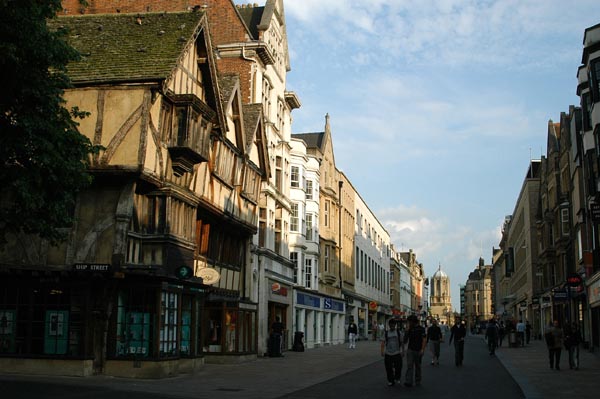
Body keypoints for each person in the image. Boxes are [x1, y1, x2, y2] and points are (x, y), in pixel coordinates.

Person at [403, 315, 427, 387]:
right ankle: (408, 381)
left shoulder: (421, 329)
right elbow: (405, 341)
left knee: (418, 366)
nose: (409, 323)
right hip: (410, 350)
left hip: (418, 350)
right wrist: (406, 332)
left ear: (413, 321)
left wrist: (422, 349)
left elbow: (424, 339)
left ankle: (417, 380)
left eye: (409, 322)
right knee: (409, 366)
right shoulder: (410, 329)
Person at [380, 319, 404, 386]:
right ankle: (390, 380)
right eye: (391, 325)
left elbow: (402, 342)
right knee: (388, 368)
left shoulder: (399, 333)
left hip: (397, 353)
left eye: (393, 325)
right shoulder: (386, 333)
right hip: (388, 353)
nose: (392, 326)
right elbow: (383, 342)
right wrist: (382, 351)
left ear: (395, 325)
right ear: (389, 325)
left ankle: (397, 378)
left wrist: (403, 351)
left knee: (398, 367)